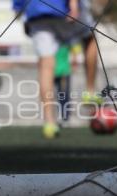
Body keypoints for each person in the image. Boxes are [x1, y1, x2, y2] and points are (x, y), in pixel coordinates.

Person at [12, 0, 80, 139]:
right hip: (59, 14)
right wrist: (74, 6)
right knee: (49, 66)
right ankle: (54, 119)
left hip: (39, 17)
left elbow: (18, 9)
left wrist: (21, 14)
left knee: (46, 67)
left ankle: (50, 122)